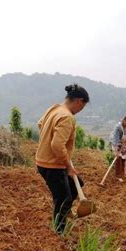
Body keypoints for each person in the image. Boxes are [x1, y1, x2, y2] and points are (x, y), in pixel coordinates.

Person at [35, 84, 90, 235]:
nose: (80, 111)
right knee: (63, 198)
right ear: (79, 101)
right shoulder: (66, 117)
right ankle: (59, 232)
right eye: (82, 107)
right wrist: (68, 166)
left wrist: (49, 136)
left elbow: (41, 124)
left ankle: (64, 213)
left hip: (43, 162)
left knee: (75, 186)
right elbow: (58, 146)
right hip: (53, 165)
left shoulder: (54, 108)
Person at [109, 115, 126, 182]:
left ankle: (122, 173)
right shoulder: (118, 128)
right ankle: (117, 176)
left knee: (123, 158)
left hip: (125, 143)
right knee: (118, 158)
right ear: (124, 121)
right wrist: (117, 150)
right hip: (116, 142)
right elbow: (115, 140)